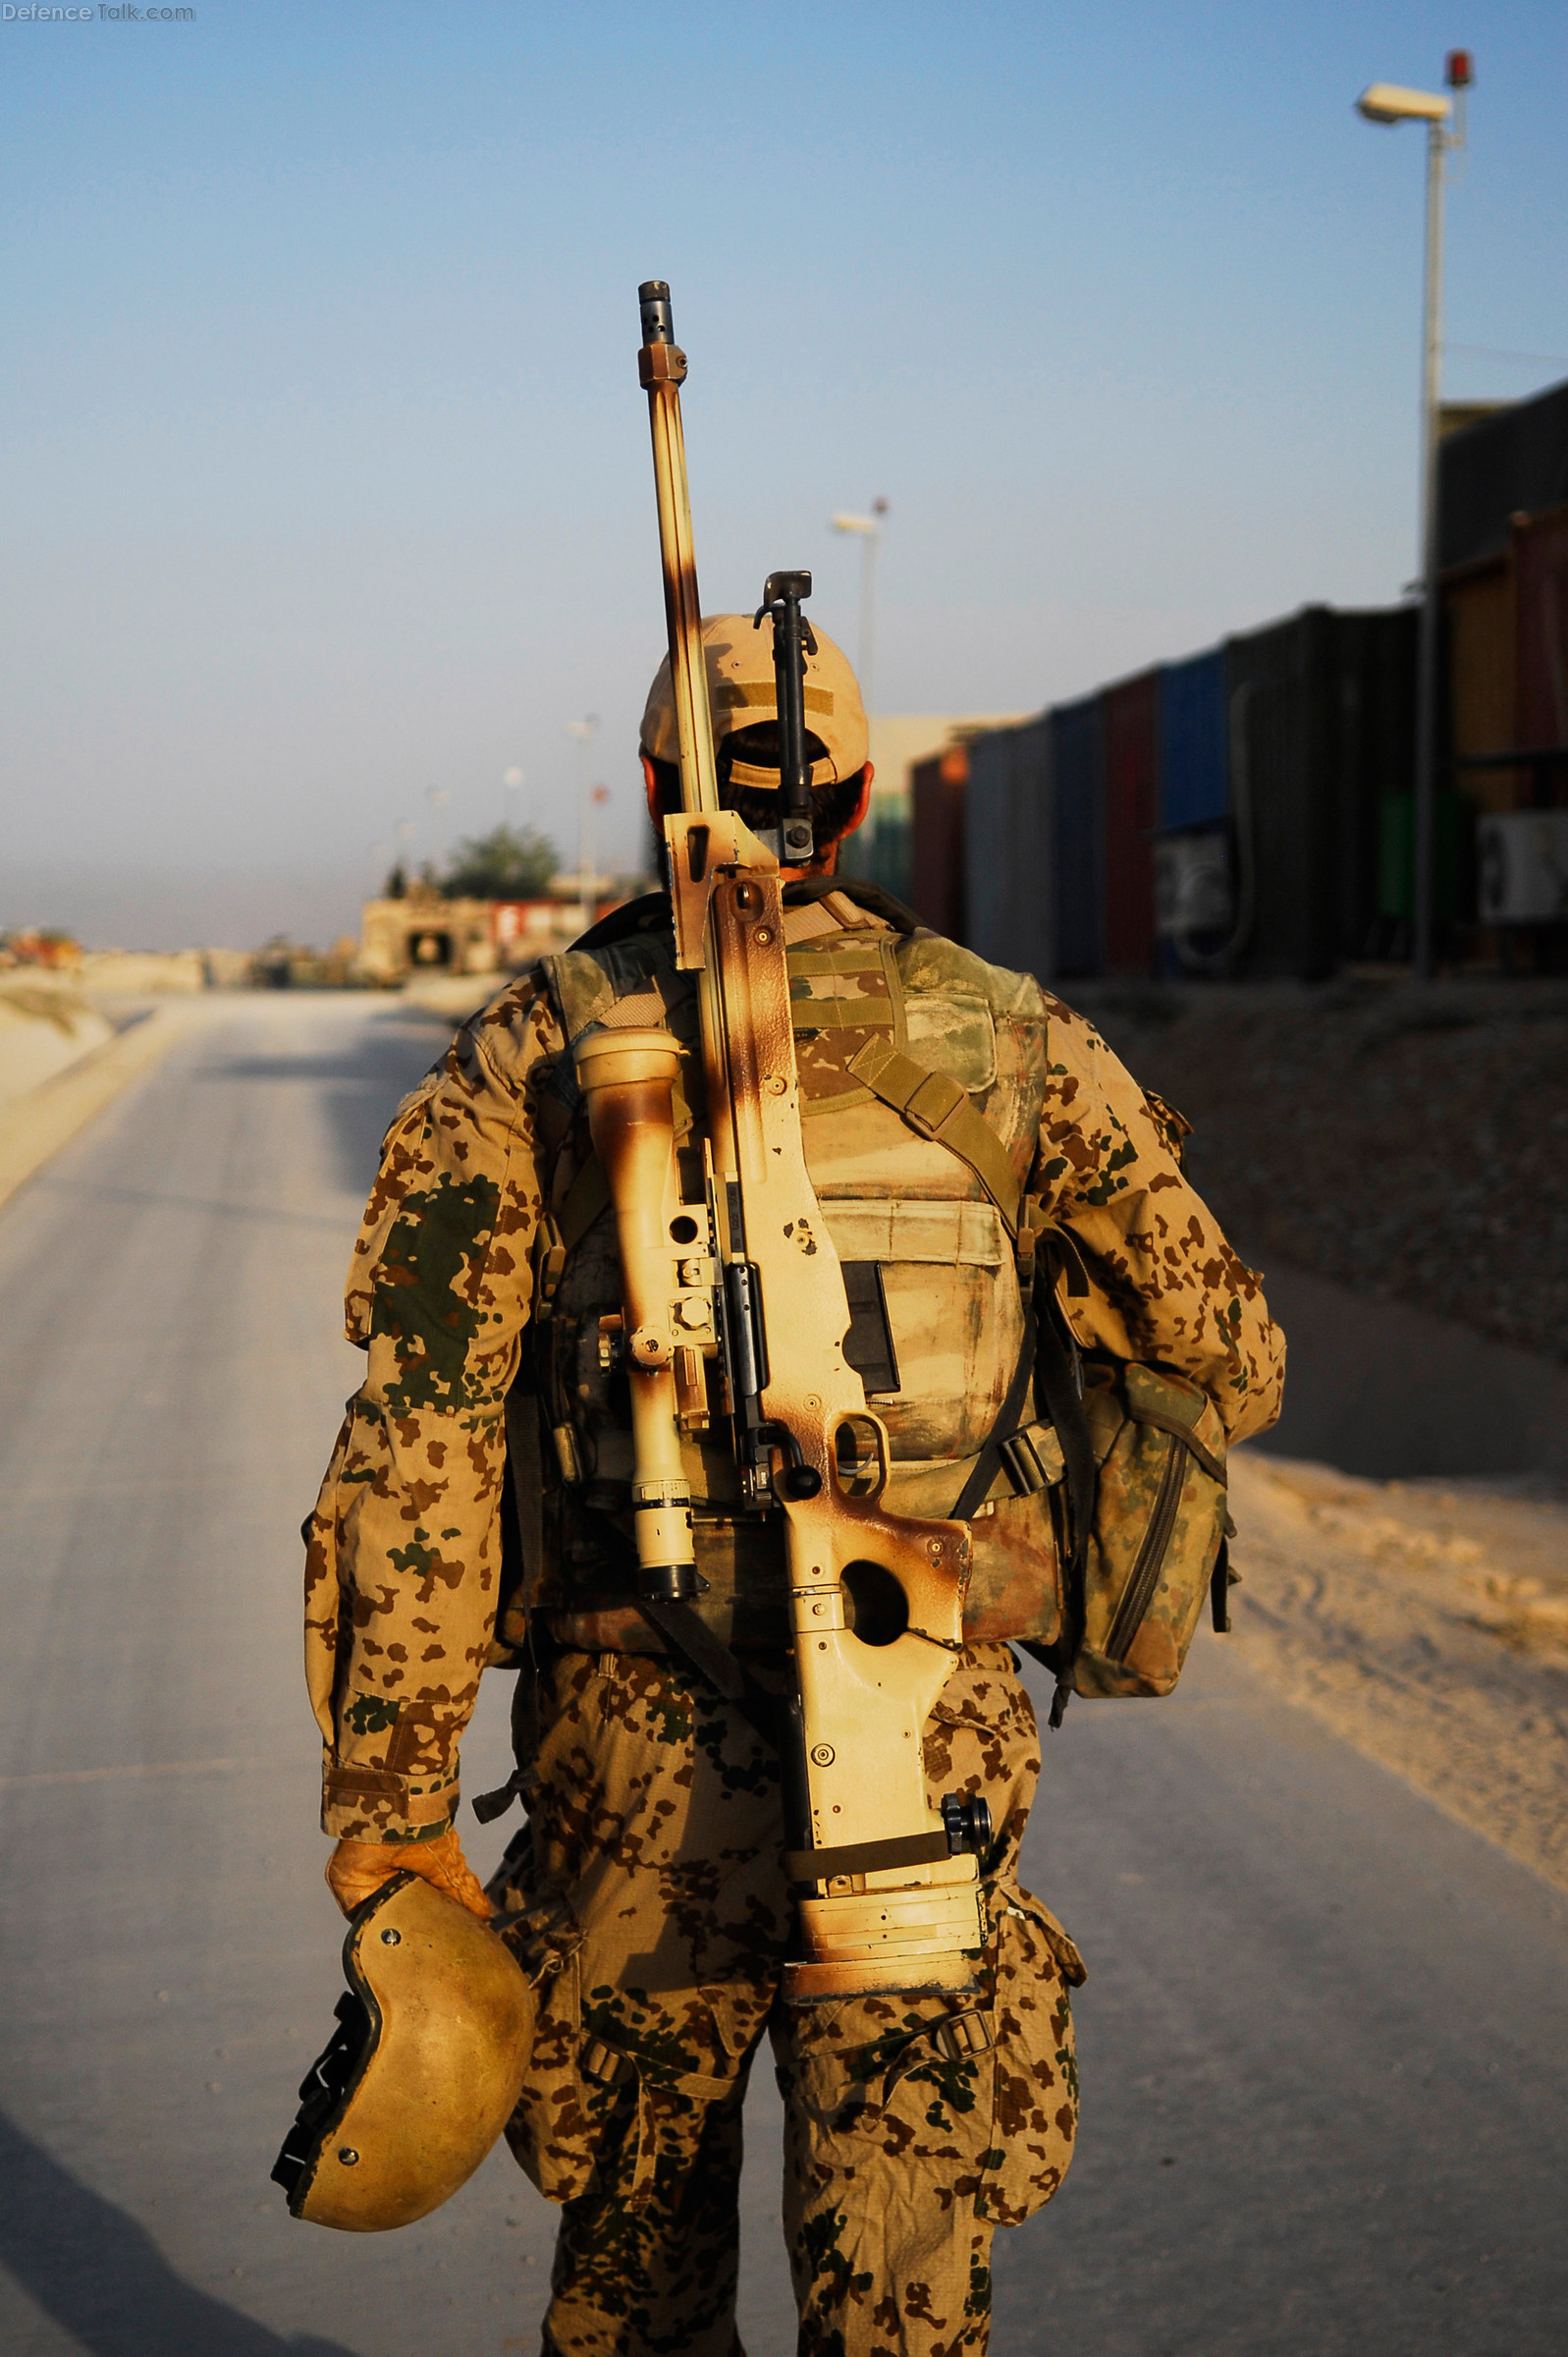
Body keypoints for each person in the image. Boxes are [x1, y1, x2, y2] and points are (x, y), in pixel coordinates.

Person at [304, 616, 1284, 2357]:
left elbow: (422, 1447)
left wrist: (387, 1795)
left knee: (632, 2282)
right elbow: (1227, 1355)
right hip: (925, 1726)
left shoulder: (535, 1050)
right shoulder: (1013, 1038)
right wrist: (1013, 1561)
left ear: (653, 789)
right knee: (899, 2270)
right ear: (844, 795)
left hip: (628, 1751)